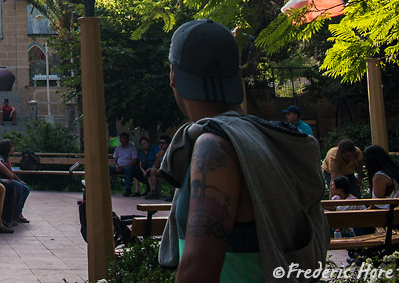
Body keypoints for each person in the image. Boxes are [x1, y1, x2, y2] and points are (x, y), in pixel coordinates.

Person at [158, 19, 327, 280]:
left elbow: (197, 271)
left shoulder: (215, 146)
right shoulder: (265, 139)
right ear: (237, 74)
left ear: (173, 77)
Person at [0, 139, 30, 223]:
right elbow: (9, 173)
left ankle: (18, 212)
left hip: (8, 178)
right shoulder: (0, 158)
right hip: (3, 178)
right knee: (22, 189)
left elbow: (11, 173)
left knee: (25, 188)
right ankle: (16, 214)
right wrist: (17, 180)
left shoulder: (7, 158)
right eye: (12, 146)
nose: (13, 148)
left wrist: (19, 180)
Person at [110, 132, 139, 197]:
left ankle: (128, 190)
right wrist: (117, 166)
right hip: (118, 167)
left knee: (129, 170)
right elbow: (114, 160)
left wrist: (124, 166)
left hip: (128, 167)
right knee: (107, 169)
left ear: (127, 139)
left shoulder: (132, 148)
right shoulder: (118, 148)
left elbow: (135, 160)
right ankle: (105, 187)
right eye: (121, 139)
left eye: (124, 139)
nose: (122, 140)